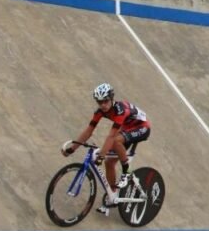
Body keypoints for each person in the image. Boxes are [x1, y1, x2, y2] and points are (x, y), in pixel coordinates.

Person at [61, 83, 151, 213]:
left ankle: (127, 171)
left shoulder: (120, 110)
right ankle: (112, 195)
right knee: (109, 162)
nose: (103, 104)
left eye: (105, 101)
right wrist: (72, 149)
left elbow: (111, 136)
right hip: (127, 128)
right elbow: (88, 131)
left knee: (115, 141)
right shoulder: (99, 112)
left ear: (111, 98)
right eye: (99, 102)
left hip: (142, 127)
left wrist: (101, 155)